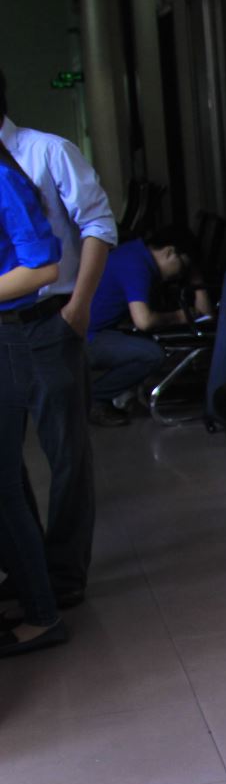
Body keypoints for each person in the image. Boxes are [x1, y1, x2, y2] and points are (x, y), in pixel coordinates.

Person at [0, 68, 115, 612]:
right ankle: (31, 567)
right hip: (4, 323)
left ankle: (65, 571)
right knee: (8, 459)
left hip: (51, 317)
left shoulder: (46, 151)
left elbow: (98, 225)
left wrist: (80, 305)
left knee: (66, 450)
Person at [0, 138, 69, 656]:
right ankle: (29, 593)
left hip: (6, 338)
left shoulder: (4, 178)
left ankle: (43, 615)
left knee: (3, 488)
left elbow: (43, 267)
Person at [83, 226, 211, 426]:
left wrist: (196, 278)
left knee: (144, 345)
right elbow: (144, 321)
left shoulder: (135, 253)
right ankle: (94, 398)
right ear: (169, 252)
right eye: (183, 267)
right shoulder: (136, 265)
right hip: (86, 339)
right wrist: (179, 317)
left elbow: (206, 314)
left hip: (93, 331)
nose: (181, 274)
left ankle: (105, 396)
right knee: (151, 354)